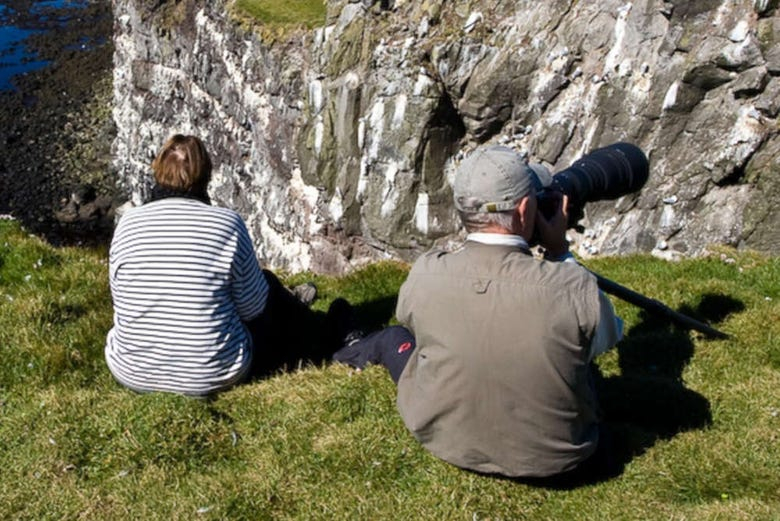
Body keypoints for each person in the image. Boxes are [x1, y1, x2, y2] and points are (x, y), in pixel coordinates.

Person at [334, 144, 624, 483]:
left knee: (395, 338)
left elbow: (410, 320)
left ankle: (348, 347)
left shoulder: (425, 274)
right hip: (560, 463)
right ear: (526, 208)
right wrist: (559, 252)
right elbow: (609, 337)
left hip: (445, 442)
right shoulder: (571, 287)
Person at [105, 134, 328, 397]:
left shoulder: (128, 224)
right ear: (206, 175)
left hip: (131, 370)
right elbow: (253, 311)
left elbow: (120, 297)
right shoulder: (226, 224)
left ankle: (299, 311)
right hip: (212, 374)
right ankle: (317, 328)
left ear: (158, 171)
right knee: (265, 285)